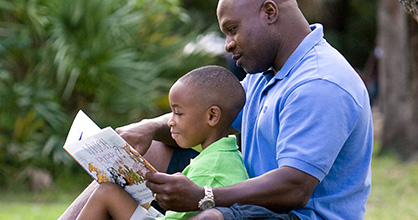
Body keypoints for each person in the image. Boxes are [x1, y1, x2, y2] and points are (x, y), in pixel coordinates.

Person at [60, 0, 373, 219]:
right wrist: (148, 127)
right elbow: (213, 116)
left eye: (232, 29)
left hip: (289, 215)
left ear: (269, 12)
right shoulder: (264, 76)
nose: (228, 44)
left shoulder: (320, 83)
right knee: (152, 151)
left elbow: (295, 188)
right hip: (249, 200)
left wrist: (203, 195)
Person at [74, 65, 249, 220]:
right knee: (113, 192)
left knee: (107, 193)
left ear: (212, 116)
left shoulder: (211, 170)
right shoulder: (222, 157)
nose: (171, 122)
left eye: (178, 113)